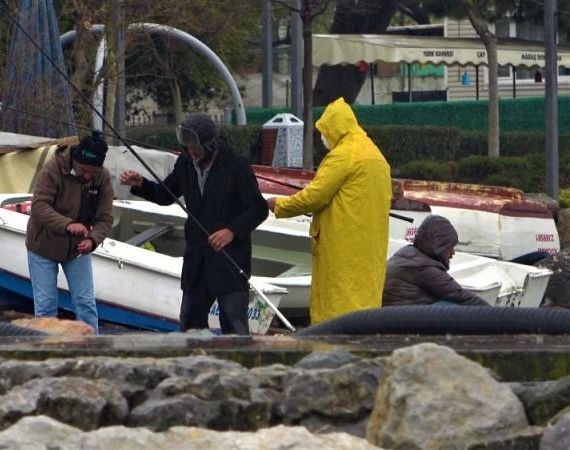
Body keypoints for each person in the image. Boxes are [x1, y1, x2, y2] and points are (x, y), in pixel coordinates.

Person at [119, 114, 268, 335]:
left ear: (211, 144)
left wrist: (231, 232)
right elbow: (166, 194)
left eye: (195, 147)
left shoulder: (237, 165)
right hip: (196, 262)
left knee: (234, 328)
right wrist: (142, 185)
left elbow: (259, 209)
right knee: (189, 324)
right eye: (187, 147)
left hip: (229, 262)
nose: (191, 152)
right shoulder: (185, 162)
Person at [266, 97, 392, 325]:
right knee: (364, 307)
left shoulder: (343, 154)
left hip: (341, 247)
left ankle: (329, 351)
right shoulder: (376, 154)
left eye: (324, 131)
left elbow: (315, 196)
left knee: (335, 308)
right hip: (369, 249)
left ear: (335, 128)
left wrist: (280, 204)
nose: (322, 137)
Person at [25, 131, 114, 334]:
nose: (88, 176)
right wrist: (67, 224)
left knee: (85, 303)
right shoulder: (53, 169)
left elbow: (105, 218)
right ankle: (47, 352)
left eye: (93, 171)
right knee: (46, 305)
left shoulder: (102, 178)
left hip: (77, 249)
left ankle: (90, 350)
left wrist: (93, 240)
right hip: (43, 245)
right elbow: (39, 205)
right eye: (84, 170)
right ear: (75, 160)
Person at [383, 214, 491, 306]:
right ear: (440, 246)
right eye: (450, 247)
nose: (453, 252)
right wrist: (498, 316)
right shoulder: (424, 268)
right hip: (402, 321)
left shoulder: (406, 254)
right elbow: (462, 297)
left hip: (387, 314)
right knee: (453, 307)